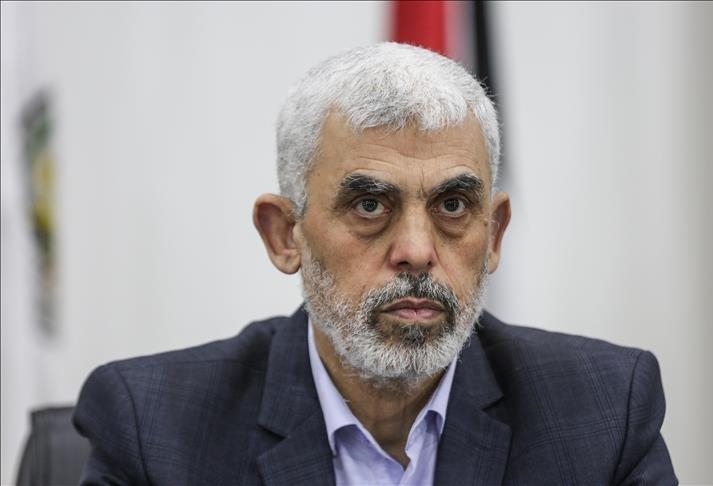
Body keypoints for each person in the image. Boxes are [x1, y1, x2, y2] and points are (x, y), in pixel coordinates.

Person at [74, 42, 677, 485]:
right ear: (284, 235)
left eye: (452, 205)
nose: (416, 250)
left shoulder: (603, 412)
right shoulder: (155, 427)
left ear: (493, 234)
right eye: (369, 205)